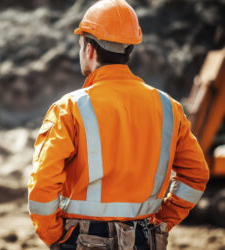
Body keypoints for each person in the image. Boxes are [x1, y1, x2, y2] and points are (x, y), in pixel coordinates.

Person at [27, 0, 209, 249]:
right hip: (145, 238)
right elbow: (196, 175)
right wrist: (163, 220)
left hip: (85, 238)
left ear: (89, 49)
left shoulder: (70, 109)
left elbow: (42, 185)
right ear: (128, 50)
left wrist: (56, 237)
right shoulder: (168, 107)